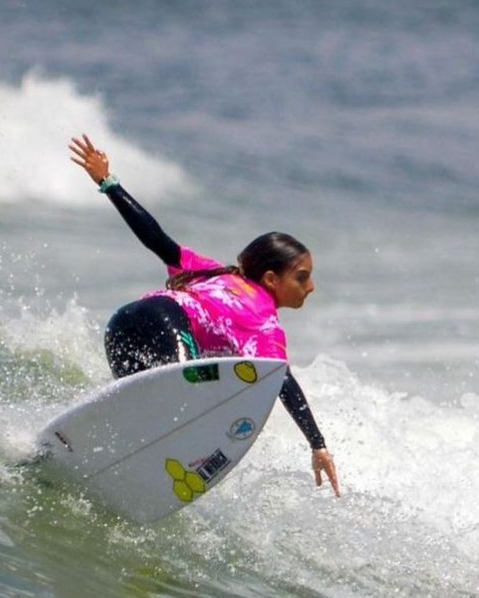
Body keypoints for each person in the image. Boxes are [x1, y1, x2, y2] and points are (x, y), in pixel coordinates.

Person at [69, 134, 341, 497]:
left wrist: (109, 182)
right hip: (167, 323)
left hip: (124, 323)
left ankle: (78, 454)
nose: (310, 288)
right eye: (302, 277)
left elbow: (155, 238)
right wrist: (317, 444)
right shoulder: (264, 322)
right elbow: (282, 380)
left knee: (140, 413)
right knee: (185, 399)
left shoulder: (214, 271)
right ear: (272, 279)